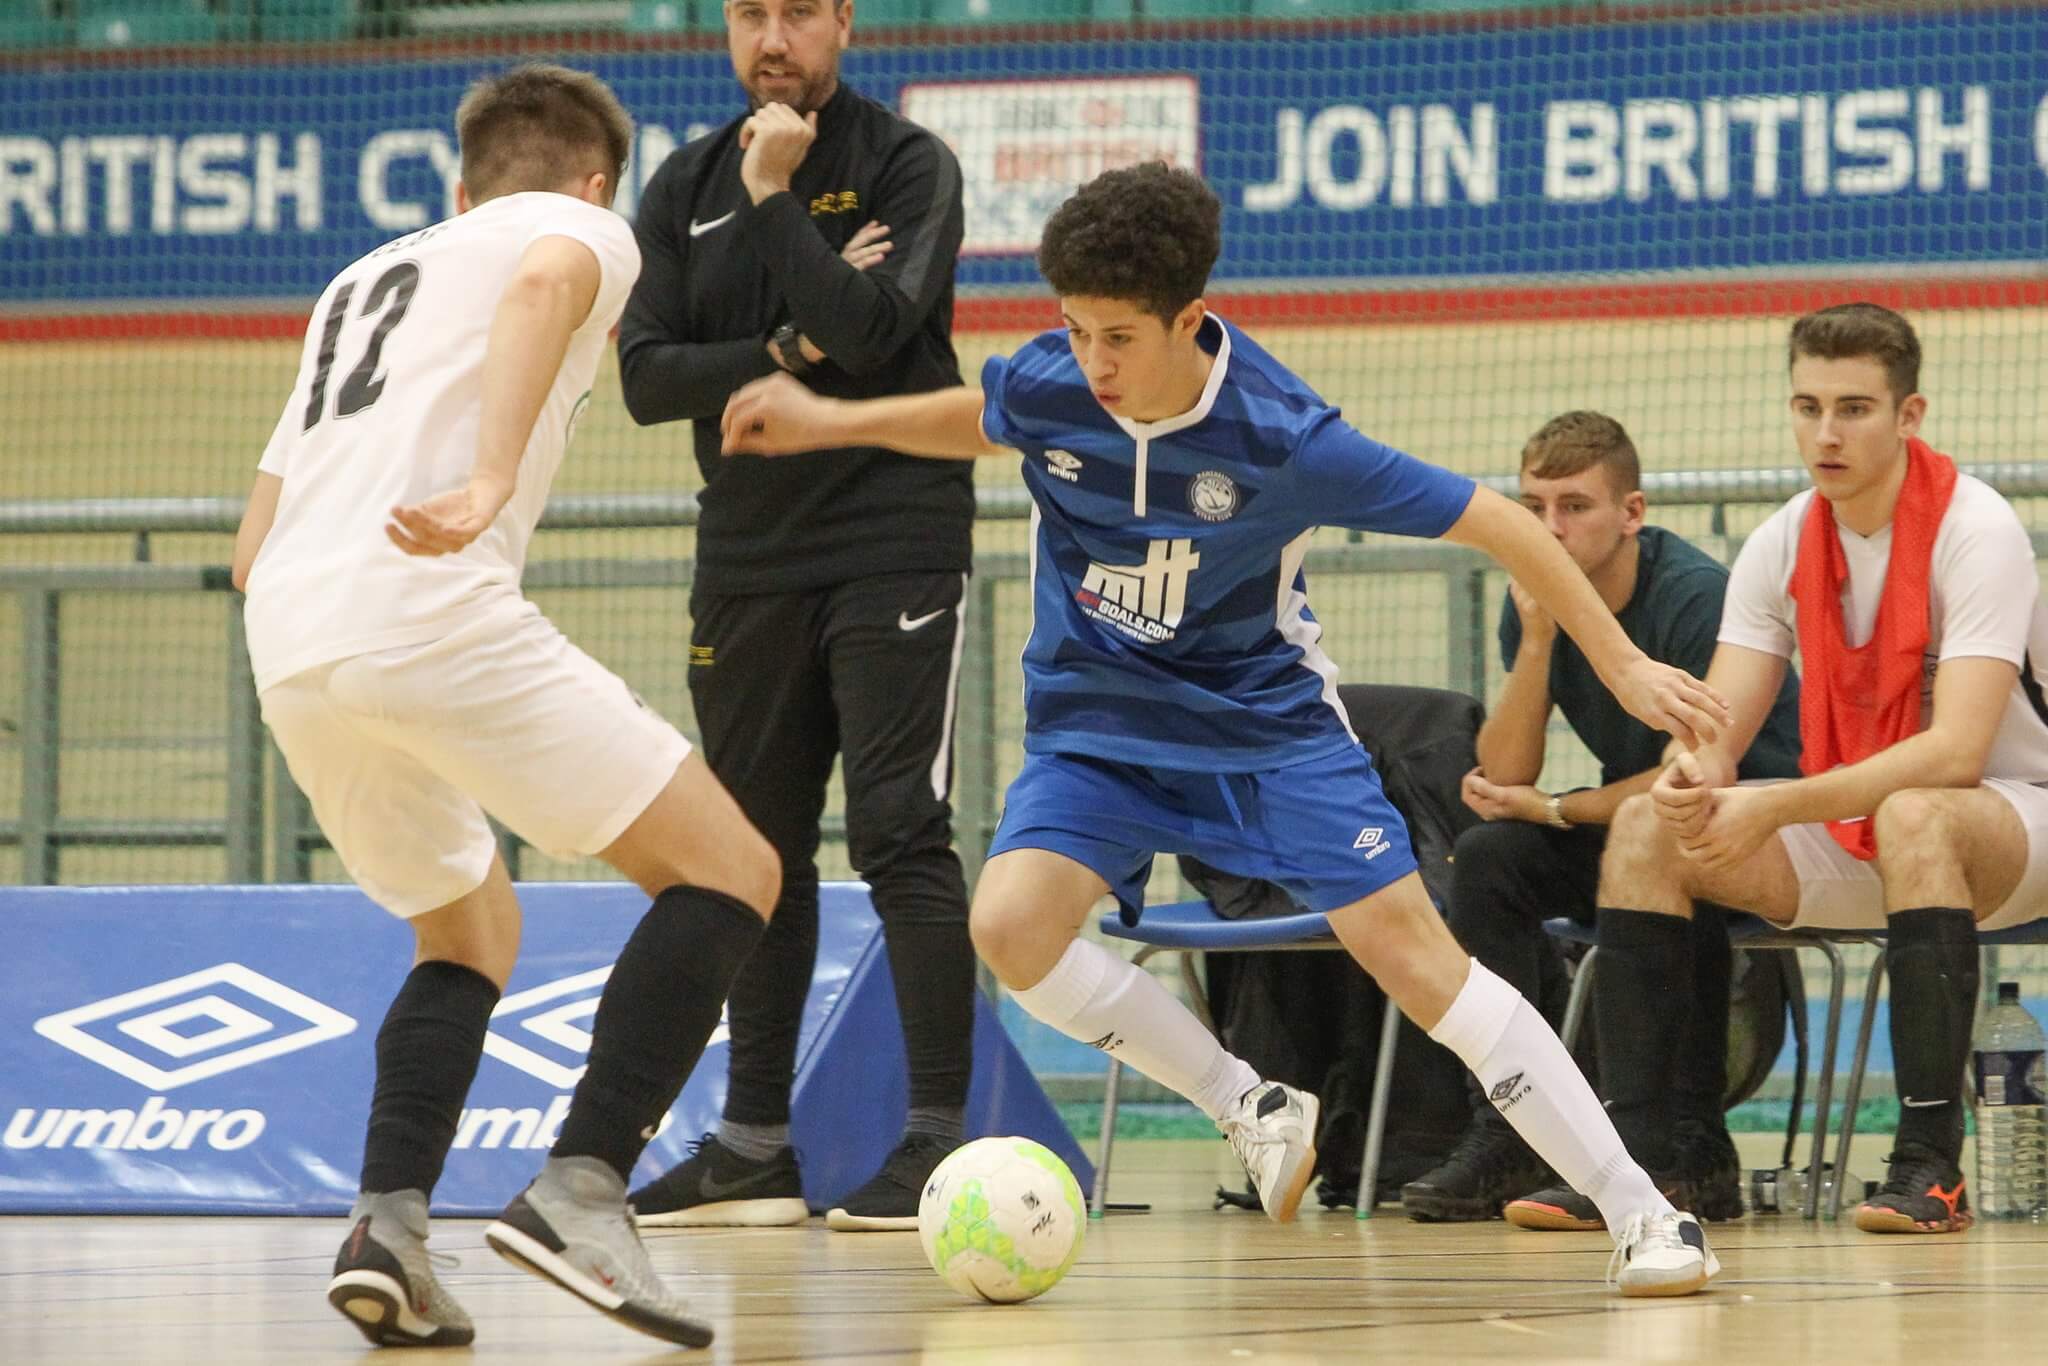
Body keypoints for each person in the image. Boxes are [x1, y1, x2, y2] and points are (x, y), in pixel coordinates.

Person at [719, 161, 1735, 1296]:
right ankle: (1245, 1102)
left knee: (1412, 954)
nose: (1090, 363)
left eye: (1115, 336)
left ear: (1188, 321)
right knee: (1008, 927)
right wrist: (826, 420)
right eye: (1072, 329)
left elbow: (1497, 521)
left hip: (1264, 729)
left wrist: (1624, 659)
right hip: (1097, 724)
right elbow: (985, 412)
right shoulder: (1060, 382)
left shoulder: (1284, 436)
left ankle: (1644, 1213)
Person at [231, 64, 779, 1349]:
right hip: (423, 602)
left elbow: (254, 538)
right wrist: (484, 480)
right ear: (594, 182)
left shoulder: (354, 283)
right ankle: (581, 1187)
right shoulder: (582, 228)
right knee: (732, 870)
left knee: (467, 925)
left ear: (460, 184)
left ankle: (390, 1231)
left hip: (290, 638)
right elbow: (542, 283)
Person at [616, 0, 978, 1232]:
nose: (773, 38)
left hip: (895, 539)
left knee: (897, 831)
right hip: (747, 554)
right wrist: (779, 341)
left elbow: (875, 331)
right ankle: (752, 1148)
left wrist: (778, 200)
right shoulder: (677, 183)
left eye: (798, 13)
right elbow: (644, 377)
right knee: (748, 853)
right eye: (750, 13)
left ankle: (935, 1138)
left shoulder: (907, 164)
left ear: (842, 23)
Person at [1593, 301, 2048, 1236]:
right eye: (1807, 407)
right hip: (1871, 831)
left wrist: (1776, 805)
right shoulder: (1784, 538)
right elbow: (1720, 726)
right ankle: (1644, 1167)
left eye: (1853, 409)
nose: (1825, 434)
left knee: (1917, 810)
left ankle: (1929, 1166)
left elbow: (1960, 753)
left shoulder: (1979, 529)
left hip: (2016, 819)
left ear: (1909, 415)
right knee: (1645, 826)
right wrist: (1692, 776)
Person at [1402, 412, 1804, 1228]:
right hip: (1638, 828)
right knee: (1488, 857)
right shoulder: (1539, 603)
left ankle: (1683, 1152)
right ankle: (1511, 1128)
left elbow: (1684, 776)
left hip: (1752, 833)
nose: (1550, 528)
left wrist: (1553, 810)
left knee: (1651, 841)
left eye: (1574, 507)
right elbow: (1507, 771)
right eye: (1534, 506)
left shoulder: (1692, 598)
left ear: (1633, 513)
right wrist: (1543, 639)